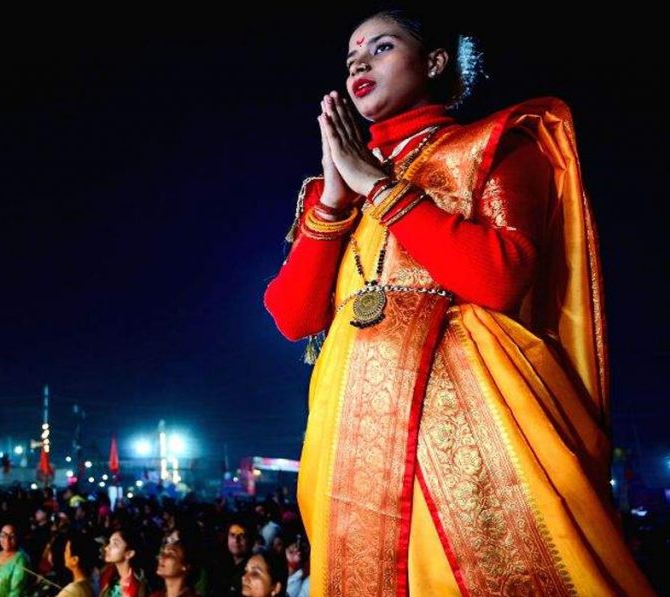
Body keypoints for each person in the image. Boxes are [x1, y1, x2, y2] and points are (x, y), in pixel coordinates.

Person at [263, 8, 655, 595]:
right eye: (351, 58)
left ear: (436, 61)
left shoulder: (491, 144)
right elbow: (294, 318)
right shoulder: (331, 191)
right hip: (349, 425)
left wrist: (379, 187)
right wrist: (337, 200)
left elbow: (501, 278)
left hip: (468, 418)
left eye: (382, 47)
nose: (360, 63)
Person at [57, 530, 98, 597]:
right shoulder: (88, 585)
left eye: (67, 551)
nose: (64, 554)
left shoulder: (73, 589)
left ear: (75, 560)